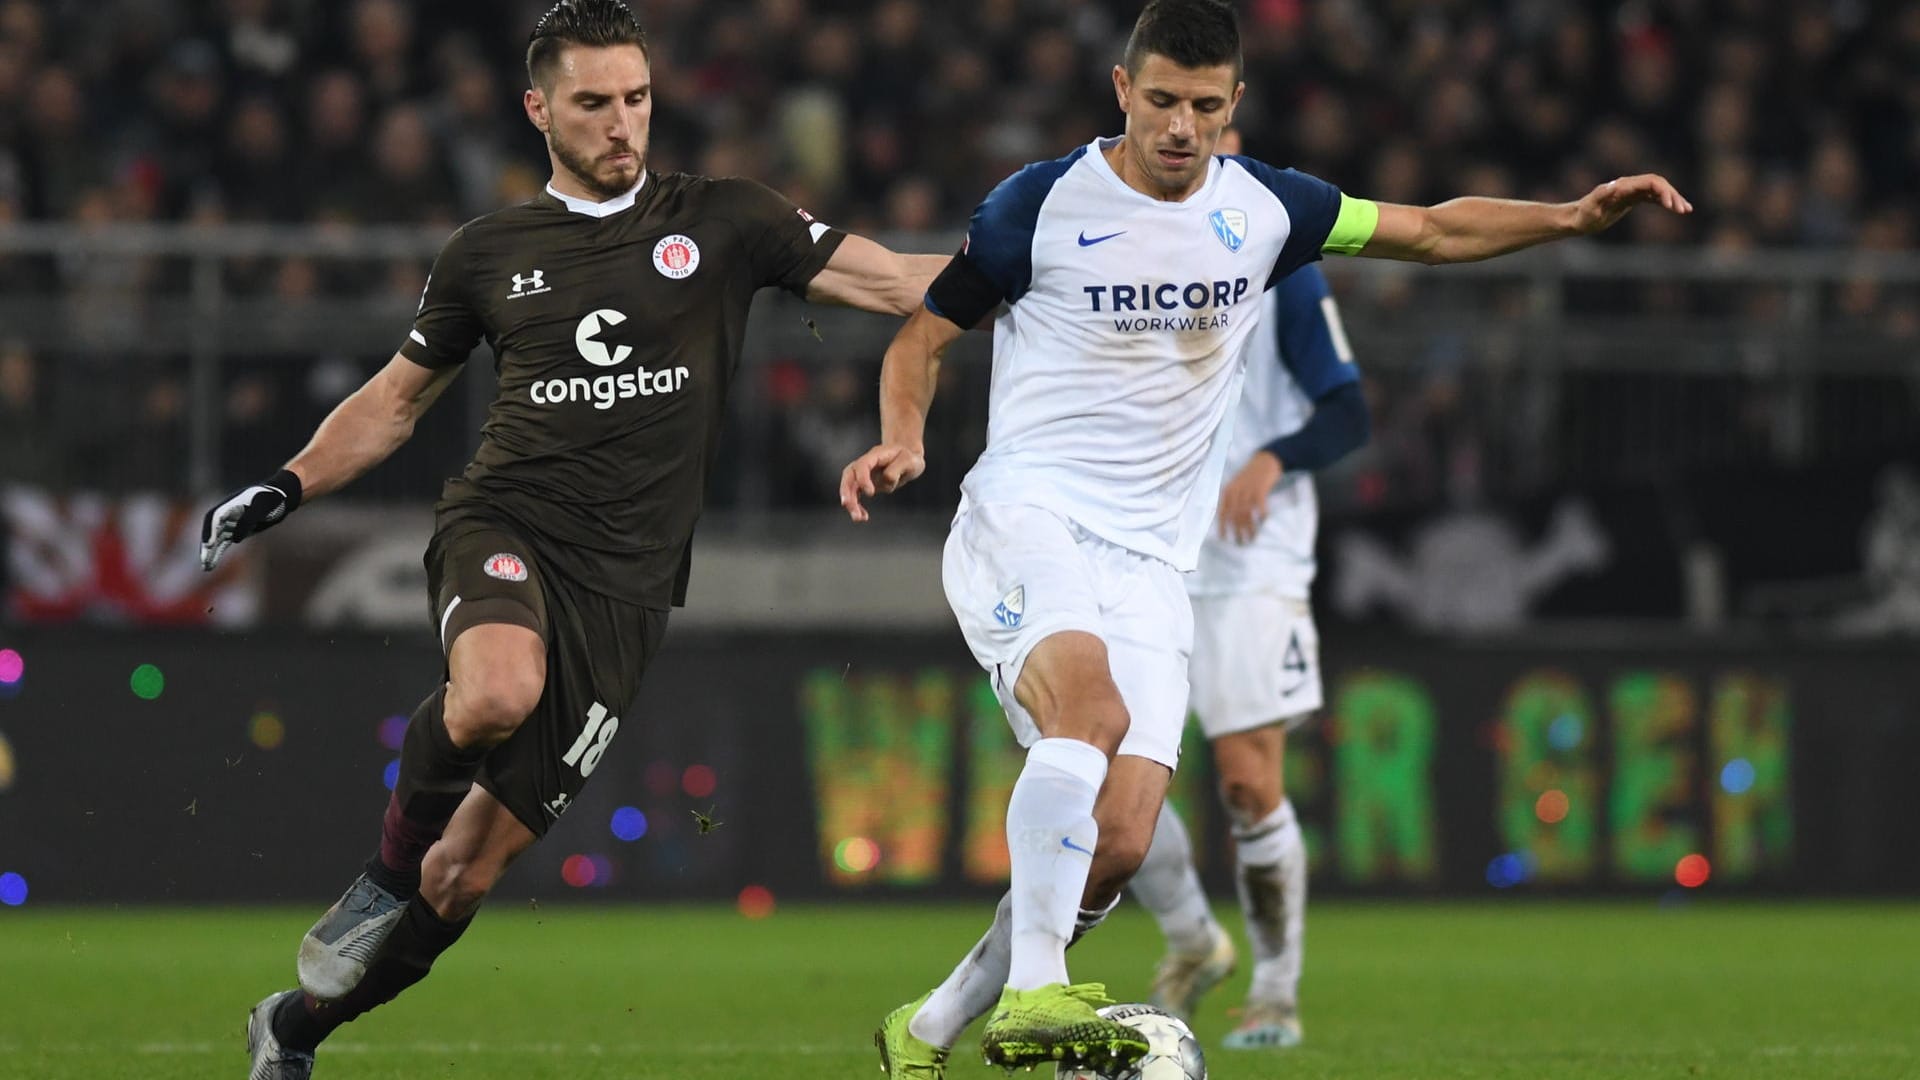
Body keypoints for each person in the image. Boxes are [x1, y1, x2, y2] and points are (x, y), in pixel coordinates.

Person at [840, 1, 1690, 1074]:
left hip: (1154, 557)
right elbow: (921, 338)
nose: (1181, 127)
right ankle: (1036, 995)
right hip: (1030, 514)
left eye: (1204, 105)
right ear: (1121, 91)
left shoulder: (1271, 211)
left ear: (1234, 103)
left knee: (1120, 843)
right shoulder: (1040, 205)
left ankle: (927, 1030)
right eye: (1160, 102)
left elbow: (1428, 230)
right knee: (1089, 713)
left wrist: (1567, 218)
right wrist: (903, 440)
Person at [201, 4, 947, 1077]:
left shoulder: (730, 221)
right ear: (538, 108)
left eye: (635, 99)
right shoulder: (488, 253)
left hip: (627, 597)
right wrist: (286, 482)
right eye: (593, 103)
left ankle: (296, 1029)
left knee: (464, 881)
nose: (621, 125)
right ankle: (382, 867)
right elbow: (397, 401)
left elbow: (896, 281)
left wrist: (1040, 262)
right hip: (505, 522)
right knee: (495, 693)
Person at [1127, 251, 1369, 1049]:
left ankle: (1274, 991)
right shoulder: (1115, 243)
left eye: (1211, 116)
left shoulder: (1279, 263)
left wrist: (1273, 457)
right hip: (1139, 544)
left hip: (1248, 558)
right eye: (1173, 112)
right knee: (1106, 775)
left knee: (1245, 778)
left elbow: (1347, 411)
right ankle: (1194, 938)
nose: (1192, 133)